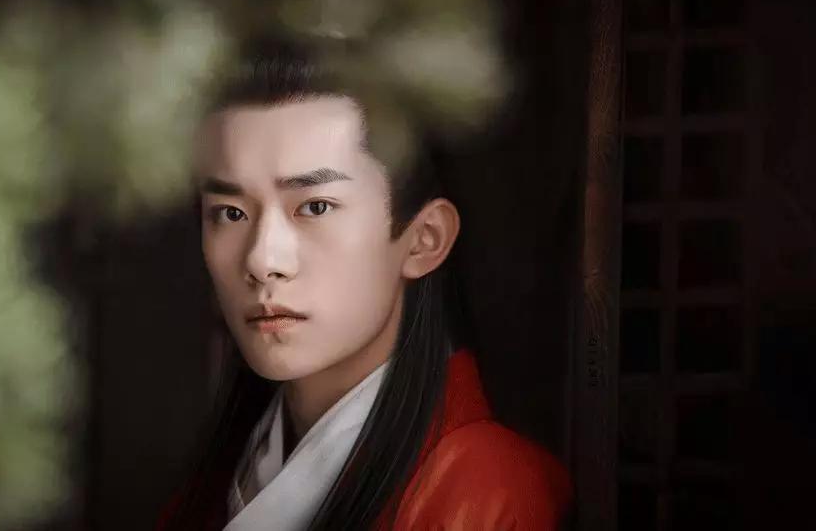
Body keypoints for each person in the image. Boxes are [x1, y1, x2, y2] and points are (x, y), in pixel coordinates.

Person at [159, 39, 572, 530]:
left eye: (315, 207)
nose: (263, 261)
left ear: (424, 239)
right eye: (230, 213)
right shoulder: (211, 491)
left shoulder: (489, 491)